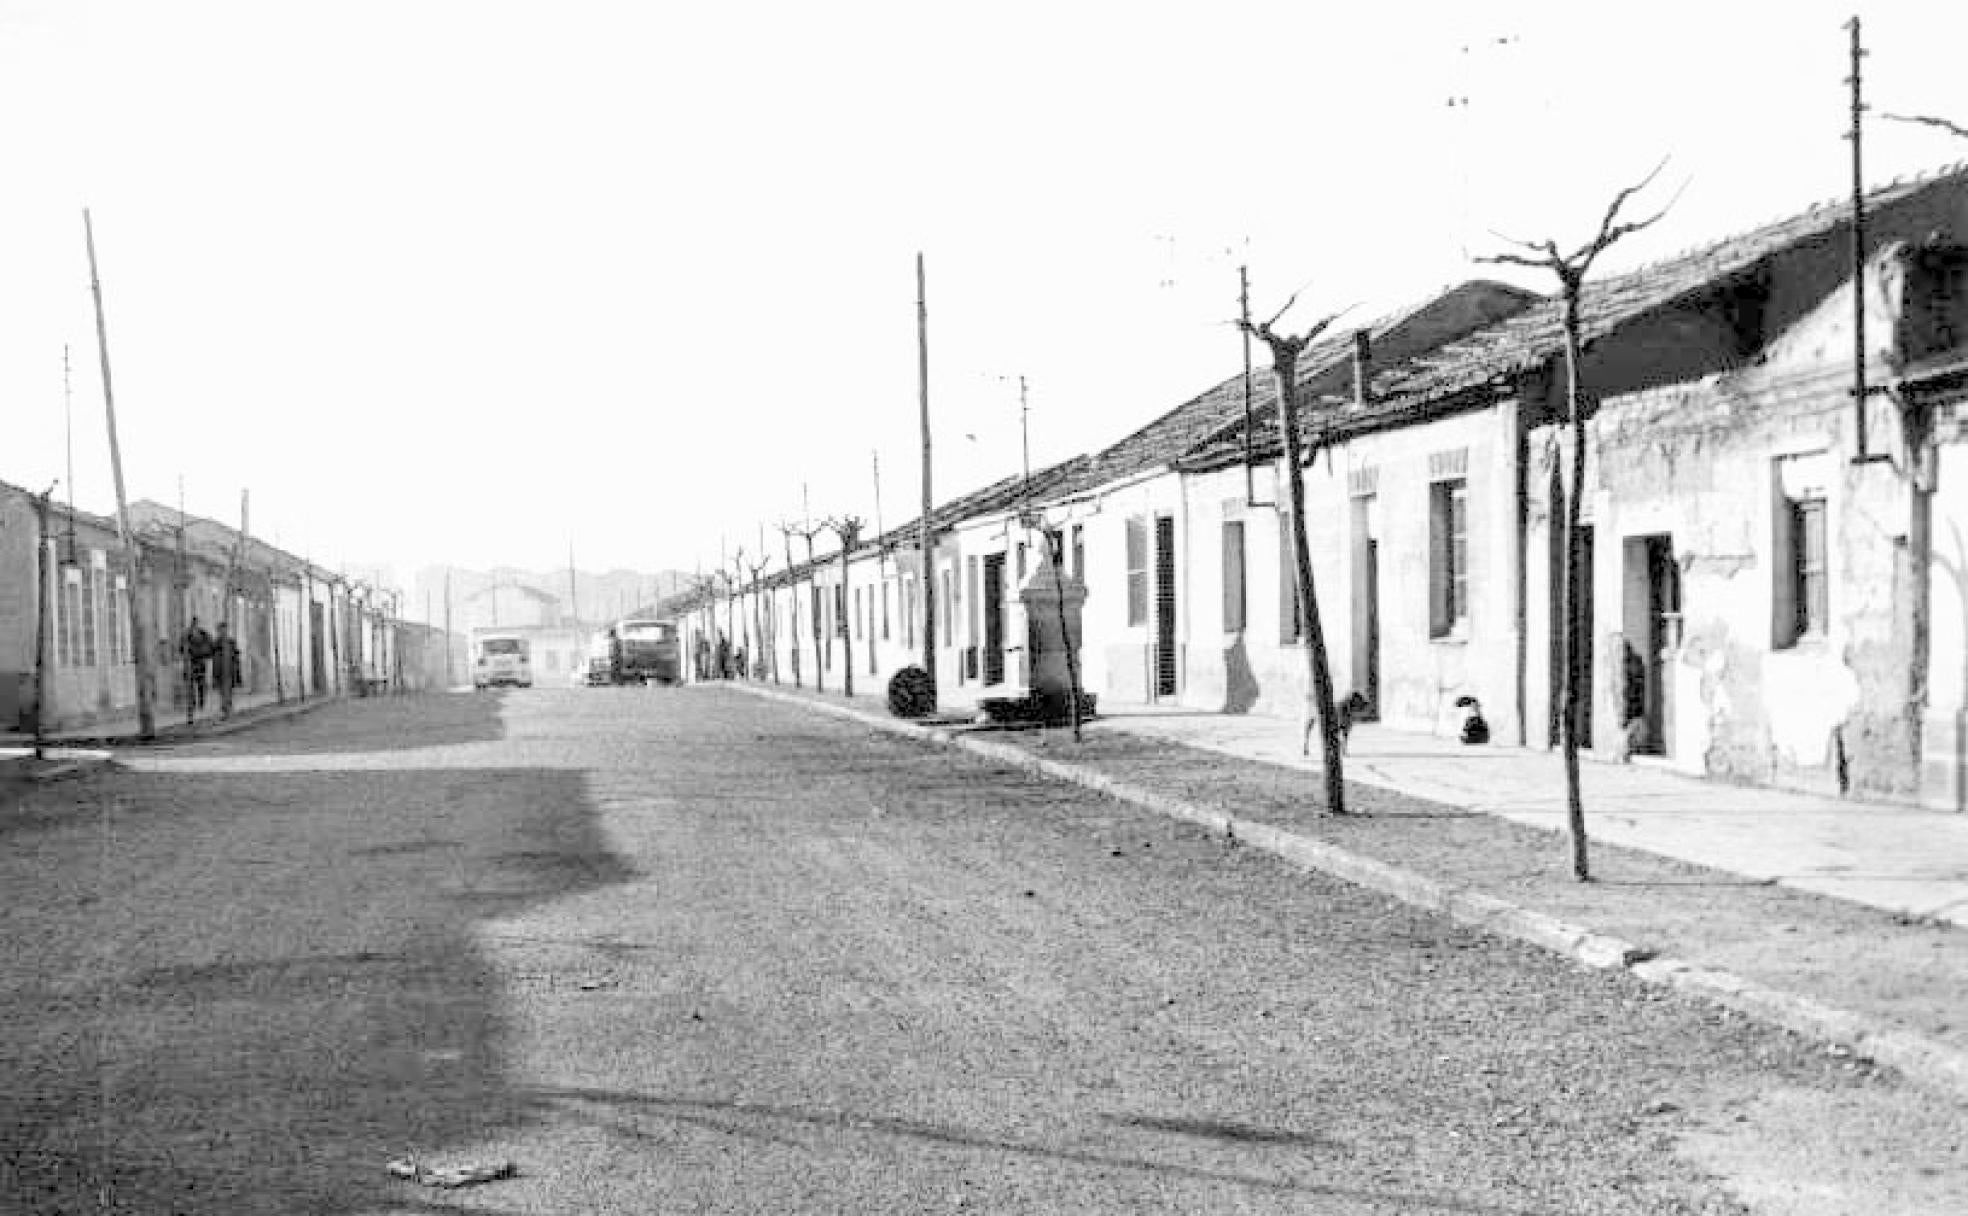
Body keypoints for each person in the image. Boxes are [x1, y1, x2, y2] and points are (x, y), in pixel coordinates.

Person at [182, 617, 213, 714]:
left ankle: (201, 703)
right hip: (190, 663)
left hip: (200, 663)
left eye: (196, 623)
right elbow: (182, 648)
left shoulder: (203, 633)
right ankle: (193, 703)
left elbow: (210, 645)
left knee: (201, 685)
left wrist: (206, 653)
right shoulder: (186, 634)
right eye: (193, 623)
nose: (195, 625)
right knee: (190, 685)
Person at [213, 622, 240, 718]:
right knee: (222, 690)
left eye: (224, 629)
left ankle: (227, 707)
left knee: (229, 689)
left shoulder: (231, 642)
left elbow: (236, 655)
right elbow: (213, 656)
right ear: (218, 631)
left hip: (230, 669)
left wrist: (237, 669)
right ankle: (225, 708)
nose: (223, 631)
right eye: (221, 630)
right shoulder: (216, 643)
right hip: (220, 670)